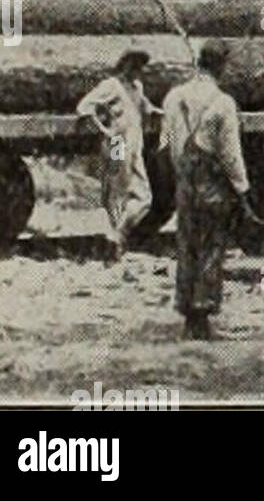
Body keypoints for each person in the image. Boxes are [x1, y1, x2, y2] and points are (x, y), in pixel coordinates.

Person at [160, 40, 252, 341]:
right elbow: (230, 154)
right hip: (212, 184)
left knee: (187, 246)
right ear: (221, 67)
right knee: (212, 247)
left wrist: (180, 175)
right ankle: (202, 319)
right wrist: (242, 188)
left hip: (185, 181)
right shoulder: (223, 102)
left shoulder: (174, 97)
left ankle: (188, 317)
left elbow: (165, 145)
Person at [76, 49, 157, 262]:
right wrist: (103, 129)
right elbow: (84, 106)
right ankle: (116, 246)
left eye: (140, 66)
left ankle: (116, 236)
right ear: (124, 65)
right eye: (134, 65)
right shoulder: (111, 85)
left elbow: (147, 108)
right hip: (116, 143)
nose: (138, 70)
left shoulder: (137, 87)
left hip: (134, 145)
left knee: (143, 197)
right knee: (116, 195)